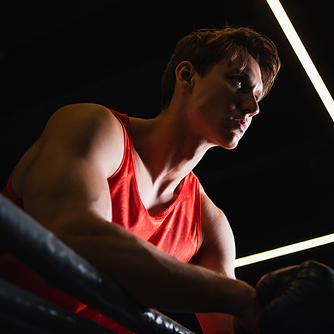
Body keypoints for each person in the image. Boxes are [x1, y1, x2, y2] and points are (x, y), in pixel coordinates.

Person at [0, 25, 280, 334]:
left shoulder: (209, 224)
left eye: (256, 98)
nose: (251, 107)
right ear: (187, 76)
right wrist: (241, 297)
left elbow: (229, 329)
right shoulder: (94, 128)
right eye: (238, 82)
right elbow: (69, 240)